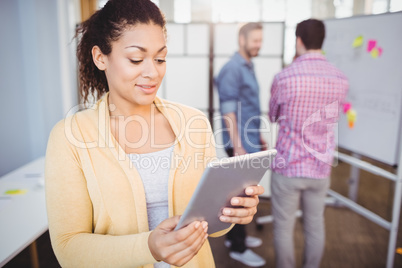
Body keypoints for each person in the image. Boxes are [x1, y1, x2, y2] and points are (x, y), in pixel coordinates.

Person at [44, 1, 264, 267]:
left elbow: (212, 228)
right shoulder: (70, 136)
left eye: (160, 58)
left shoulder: (193, 122)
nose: (153, 72)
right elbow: (69, 248)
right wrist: (149, 247)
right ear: (101, 57)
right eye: (136, 59)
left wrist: (231, 213)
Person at [268, 19, 349, 268]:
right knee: (315, 224)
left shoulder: (285, 77)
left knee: (283, 226)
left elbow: (272, 116)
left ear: (298, 40)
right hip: (320, 167)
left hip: (288, 166)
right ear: (321, 41)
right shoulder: (340, 78)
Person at [215, 22, 267, 267]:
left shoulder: (248, 65)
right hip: (240, 144)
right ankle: (238, 247)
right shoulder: (232, 69)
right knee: (238, 196)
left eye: (260, 40)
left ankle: (234, 238)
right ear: (242, 40)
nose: (259, 45)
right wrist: (237, 145)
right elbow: (228, 112)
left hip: (250, 139)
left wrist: (258, 136)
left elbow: (248, 107)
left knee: (242, 193)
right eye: (255, 40)